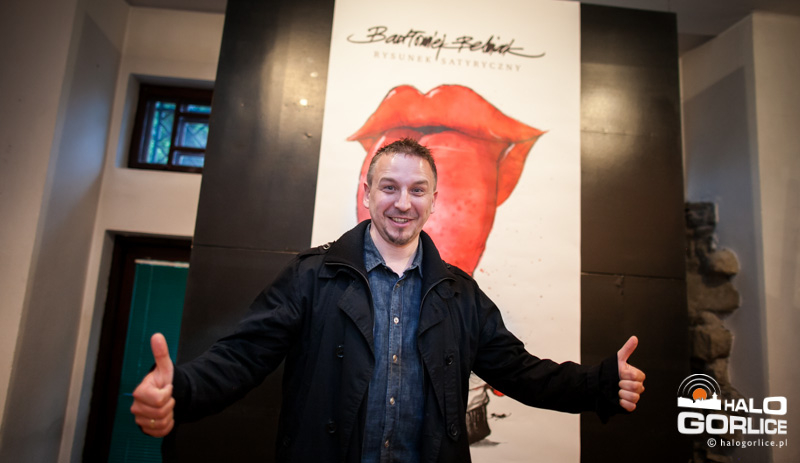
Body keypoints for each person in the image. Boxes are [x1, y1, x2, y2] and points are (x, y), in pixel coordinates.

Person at [131, 138, 645, 462]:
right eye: (389, 187)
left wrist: (599, 384)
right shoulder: (313, 276)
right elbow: (243, 356)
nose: (403, 203)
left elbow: (520, 371)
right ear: (368, 193)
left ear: (434, 200)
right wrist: (180, 388)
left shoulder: (459, 294)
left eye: (418, 190)